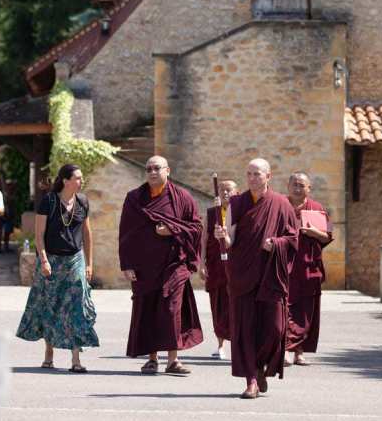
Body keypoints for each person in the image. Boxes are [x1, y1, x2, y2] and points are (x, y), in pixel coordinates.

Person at [215, 158, 298, 399]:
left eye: (257, 174)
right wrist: (222, 236)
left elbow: (293, 239)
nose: (252, 178)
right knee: (245, 329)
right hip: (242, 275)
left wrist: (276, 244)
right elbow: (230, 240)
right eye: (249, 174)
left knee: (275, 328)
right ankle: (251, 378)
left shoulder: (282, 205)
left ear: (268, 176)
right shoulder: (237, 203)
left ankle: (261, 368)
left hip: (271, 275)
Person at [119, 155, 203, 375]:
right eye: (148, 169)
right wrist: (127, 264)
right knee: (147, 309)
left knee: (172, 309)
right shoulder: (135, 198)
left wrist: (172, 230)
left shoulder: (182, 198)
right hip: (144, 266)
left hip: (173, 265)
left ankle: (173, 360)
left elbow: (195, 228)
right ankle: (152, 359)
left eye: (157, 168)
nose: (152, 172)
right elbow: (125, 233)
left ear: (168, 170)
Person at [16, 164, 98, 373]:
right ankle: (49, 354)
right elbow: (39, 236)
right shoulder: (49, 202)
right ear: (65, 180)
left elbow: (88, 235)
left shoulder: (83, 201)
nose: (81, 181)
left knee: (76, 308)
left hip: (75, 260)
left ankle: (76, 359)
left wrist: (89, 263)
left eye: (81, 178)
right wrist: (43, 260)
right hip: (51, 260)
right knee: (49, 305)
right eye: (77, 178)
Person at [285, 172, 332, 366]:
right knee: (283, 309)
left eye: (302, 185)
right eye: (294, 184)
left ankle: (300, 351)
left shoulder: (317, 209)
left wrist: (314, 232)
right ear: (288, 186)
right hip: (285, 267)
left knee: (305, 311)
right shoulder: (281, 206)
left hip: (308, 268)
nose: (297, 188)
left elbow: (327, 237)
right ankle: (285, 349)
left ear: (309, 188)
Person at [199, 179, 238, 360]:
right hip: (216, 265)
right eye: (222, 190)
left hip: (236, 264)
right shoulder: (212, 212)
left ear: (236, 192)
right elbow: (205, 238)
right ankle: (220, 345)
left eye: (229, 190)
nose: (225, 193)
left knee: (237, 305)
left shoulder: (240, 211)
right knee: (217, 304)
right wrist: (202, 263)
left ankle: (239, 344)